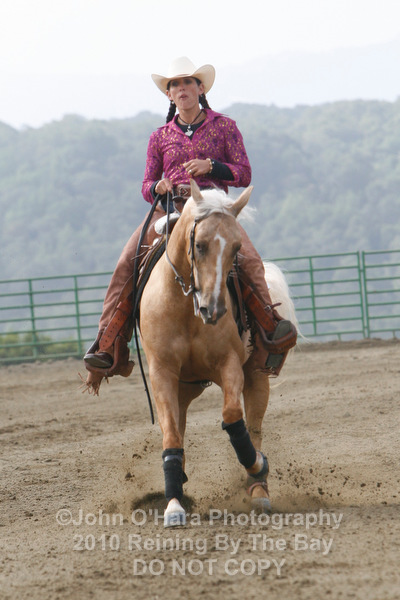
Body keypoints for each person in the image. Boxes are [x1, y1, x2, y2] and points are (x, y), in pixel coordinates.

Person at [83, 57, 297, 394]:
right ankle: (109, 345)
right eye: (175, 85)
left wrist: (212, 166)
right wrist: (158, 186)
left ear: (201, 88)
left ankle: (270, 330)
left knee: (250, 261)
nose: (181, 88)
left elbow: (243, 173)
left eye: (187, 82)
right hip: (169, 209)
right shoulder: (159, 136)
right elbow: (146, 185)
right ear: (169, 95)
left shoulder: (225, 126)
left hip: (214, 210)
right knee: (126, 264)